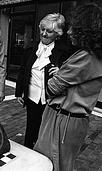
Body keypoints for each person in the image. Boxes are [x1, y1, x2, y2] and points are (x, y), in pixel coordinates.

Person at [33, 2, 102, 171]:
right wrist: (62, 74)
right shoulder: (92, 56)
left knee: (50, 165)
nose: (68, 32)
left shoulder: (85, 57)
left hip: (62, 120)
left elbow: (51, 88)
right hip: (69, 120)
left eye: (74, 28)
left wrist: (56, 77)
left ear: (87, 31)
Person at [15, 13, 71, 149]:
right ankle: (29, 155)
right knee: (31, 129)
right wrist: (19, 92)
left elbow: (72, 75)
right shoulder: (30, 49)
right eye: (42, 29)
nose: (44, 34)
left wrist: (61, 72)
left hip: (52, 100)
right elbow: (23, 71)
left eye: (49, 31)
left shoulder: (64, 52)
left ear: (57, 34)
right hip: (32, 98)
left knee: (48, 132)